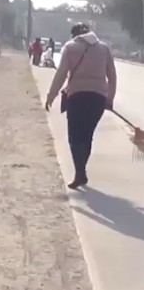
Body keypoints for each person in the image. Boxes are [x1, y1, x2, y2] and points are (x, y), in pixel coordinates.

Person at [45, 23, 117, 189]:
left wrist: (51, 95)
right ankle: (81, 171)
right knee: (87, 136)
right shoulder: (104, 48)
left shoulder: (70, 47)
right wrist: (110, 98)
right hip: (98, 98)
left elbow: (61, 73)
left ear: (74, 35)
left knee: (74, 137)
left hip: (77, 96)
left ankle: (80, 173)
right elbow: (112, 76)